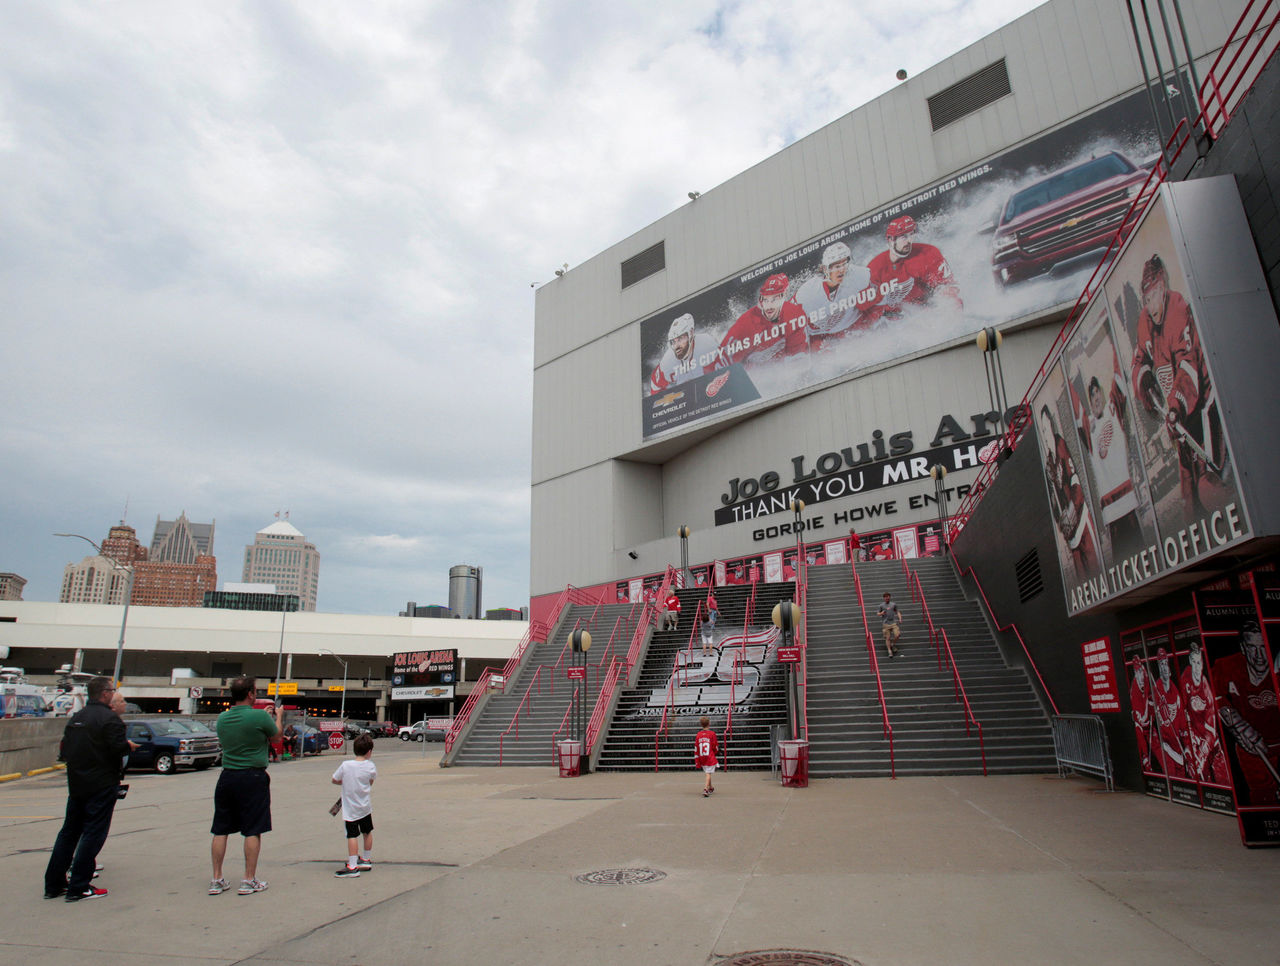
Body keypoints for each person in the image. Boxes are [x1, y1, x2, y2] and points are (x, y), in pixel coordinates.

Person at [1130, 253, 1226, 514]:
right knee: (1189, 502)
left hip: (1203, 406)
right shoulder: (1144, 321)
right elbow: (1138, 360)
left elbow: (1188, 368)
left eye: (1153, 296)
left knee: (1208, 486)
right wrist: (1143, 377)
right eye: (1146, 298)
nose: (1151, 305)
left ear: (1163, 287)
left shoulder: (1178, 309)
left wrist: (1174, 406)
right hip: (1179, 419)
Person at [44, 676, 137, 901]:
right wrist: (127, 746)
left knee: (69, 833)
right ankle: (79, 885)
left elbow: (65, 751)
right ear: (105, 694)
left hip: (77, 784)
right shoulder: (110, 719)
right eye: (111, 690)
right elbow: (117, 749)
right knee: (93, 833)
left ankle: (54, 884)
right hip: (102, 784)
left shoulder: (77, 717)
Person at [209, 677, 281, 896]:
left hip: (227, 776)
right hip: (252, 777)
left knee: (220, 829)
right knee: (252, 829)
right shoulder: (259, 716)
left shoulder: (222, 718)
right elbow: (276, 735)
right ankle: (248, 879)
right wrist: (278, 717)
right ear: (250, 694)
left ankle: (216, 879)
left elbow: (239, 734)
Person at [1211, 621, 1280, 804]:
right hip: (1252, 751)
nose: (1259, 656)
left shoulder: (1277, 670)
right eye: (1252, 648)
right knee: (1263, 798)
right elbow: (1215, 695)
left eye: (1263, 647)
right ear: (1243, 647)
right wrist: (1237, 724)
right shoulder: (1227, 666)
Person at [1080, 373, 1144, 560]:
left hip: (1127, 501)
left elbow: (1118, 377)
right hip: (1111, 511)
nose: (1096, 397)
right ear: (1090, 402)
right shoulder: (1090, 429)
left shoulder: (1112, 409)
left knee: (1140, 550)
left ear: (1102, 392)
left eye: (1097, 392)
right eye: (1092, 395)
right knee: (1122, 557)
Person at [862, 215, 962, 325]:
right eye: (903, 237)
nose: (909, 240)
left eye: (911, 235)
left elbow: (948, 288)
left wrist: (944, 309)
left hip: (931, 308)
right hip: (897, 321)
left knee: (954, 303)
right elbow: (868, 310)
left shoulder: (928, 253)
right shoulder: (874, 268)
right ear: (890, 239)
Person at [1039, 404, 1098, 577]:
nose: (1044, 434)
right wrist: (1060, 519)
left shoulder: (1060, 446)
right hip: (1071, 535)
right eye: (1041, 431)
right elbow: (1053, 500)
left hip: (1080, 520)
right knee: (1084, 580)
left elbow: (1075, 482)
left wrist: (1071, 510)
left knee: (1096, 570)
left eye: (1045, 428)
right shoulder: (1048, 462)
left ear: (1051, 425)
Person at [795, 241, 877, 352]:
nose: (842, 270)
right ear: (825, 269)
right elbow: (794, 325)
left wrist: (868, 325)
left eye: (844, 264)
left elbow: (877, 304)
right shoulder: (807, 293)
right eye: (837, 266)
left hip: (853, 326)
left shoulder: (861, 276)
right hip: (823, 335)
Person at [717, 273, 808, 368]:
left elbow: (800, 360)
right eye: (766, 300)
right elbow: (723, 367)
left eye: (774, 299)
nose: (769, 305)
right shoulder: (746, 327)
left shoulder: (794, 316)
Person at [1179, 640, 1229, 785]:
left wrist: (1202, 753)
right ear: (1190, 661)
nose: (1196, 668)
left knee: (1223, 779)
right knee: (1201, 778)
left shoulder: (1206, 689)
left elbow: (1211, 730)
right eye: (1194, 662)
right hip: (1195, 737)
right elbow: (1184, 713)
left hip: (1210, 741)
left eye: (1199, 663)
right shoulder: (1185, 679)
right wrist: (1190, 745)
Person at [332, 734, 377, 877]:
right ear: (369, 751)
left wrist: (345, 782)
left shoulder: (346, 765)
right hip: (365, 806)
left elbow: (334, 779)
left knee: (352, 835)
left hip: (350, 808)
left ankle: (352, 866)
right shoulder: (371, 766)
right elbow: (370, 781)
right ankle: (366, 858)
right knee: (367, 831)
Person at [648, 313, 722, 394]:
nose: (677, 346)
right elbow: (655, 385)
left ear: (691, 333)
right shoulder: (668, 362)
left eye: (680, 339)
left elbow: (726, 369)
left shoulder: (707, 344)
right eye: (673, 341)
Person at [1151, 648, 1189, 779]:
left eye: (1166, 664)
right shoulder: (1156, 691)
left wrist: (1187, 744)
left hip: (1176, 743)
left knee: (1182, 774)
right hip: (1163, 743)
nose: (1164, 668)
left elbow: (1182, 721)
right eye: (1161, 664)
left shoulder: (1176, 693)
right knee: (1171, 773)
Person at [693, 715, 719, 797]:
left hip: (702, 756)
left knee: (708, 772)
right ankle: (705, 789)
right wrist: (716, 751)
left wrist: (697, 758)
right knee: (708, 773)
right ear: (709, 724)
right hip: (709, 756)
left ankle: (710, 787)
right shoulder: (712, 734)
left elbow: (696, 746)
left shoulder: (698, 734)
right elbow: (715, 745)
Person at [877, 592, 903, 659]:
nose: (887, 598)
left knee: (897, 634)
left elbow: (897, 611)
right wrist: (881, 613)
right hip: (886, 624)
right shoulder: (881, 605)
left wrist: (900, 618)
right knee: (887, 638)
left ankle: (892, 644)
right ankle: (889, 651)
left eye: (888, 597)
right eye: (886, 597)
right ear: (884, 598)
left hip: (893, 623)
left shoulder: (893, 604)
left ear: (890, 597)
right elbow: (878, 613)